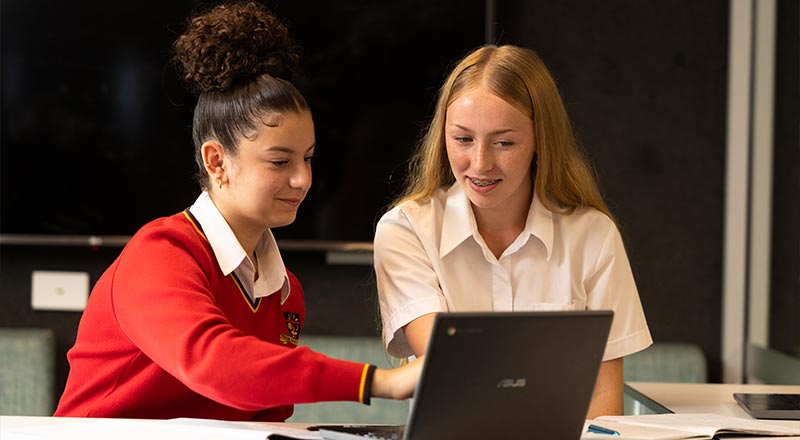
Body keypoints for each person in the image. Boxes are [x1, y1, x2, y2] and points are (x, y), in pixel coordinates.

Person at [55, 2, 420, 421]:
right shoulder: (161, 252)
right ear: (217, 162)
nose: (303, 179)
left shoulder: (286, 293)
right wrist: (379, 381)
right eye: (280, 162)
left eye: (309, 158)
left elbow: (262, 415)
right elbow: (213, 362)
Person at [373, 44, 652, 418]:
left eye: (504, 142)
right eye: (462, 139)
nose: (480, 163)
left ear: (541, 141)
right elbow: (449, 366)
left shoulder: (594, 236)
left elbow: (604, 407)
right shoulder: (405, 231)